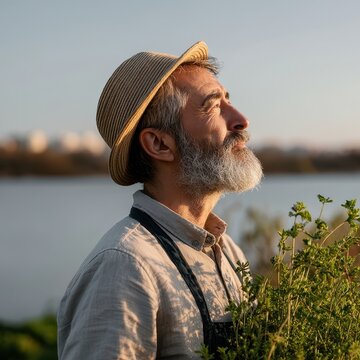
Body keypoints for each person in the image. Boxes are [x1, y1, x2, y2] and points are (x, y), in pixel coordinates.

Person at [57, 41, 263, 359]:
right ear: (159, 144)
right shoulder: (125, 267)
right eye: (212, 106)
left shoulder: (228, 252)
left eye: (228, 100)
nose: (240, 120)